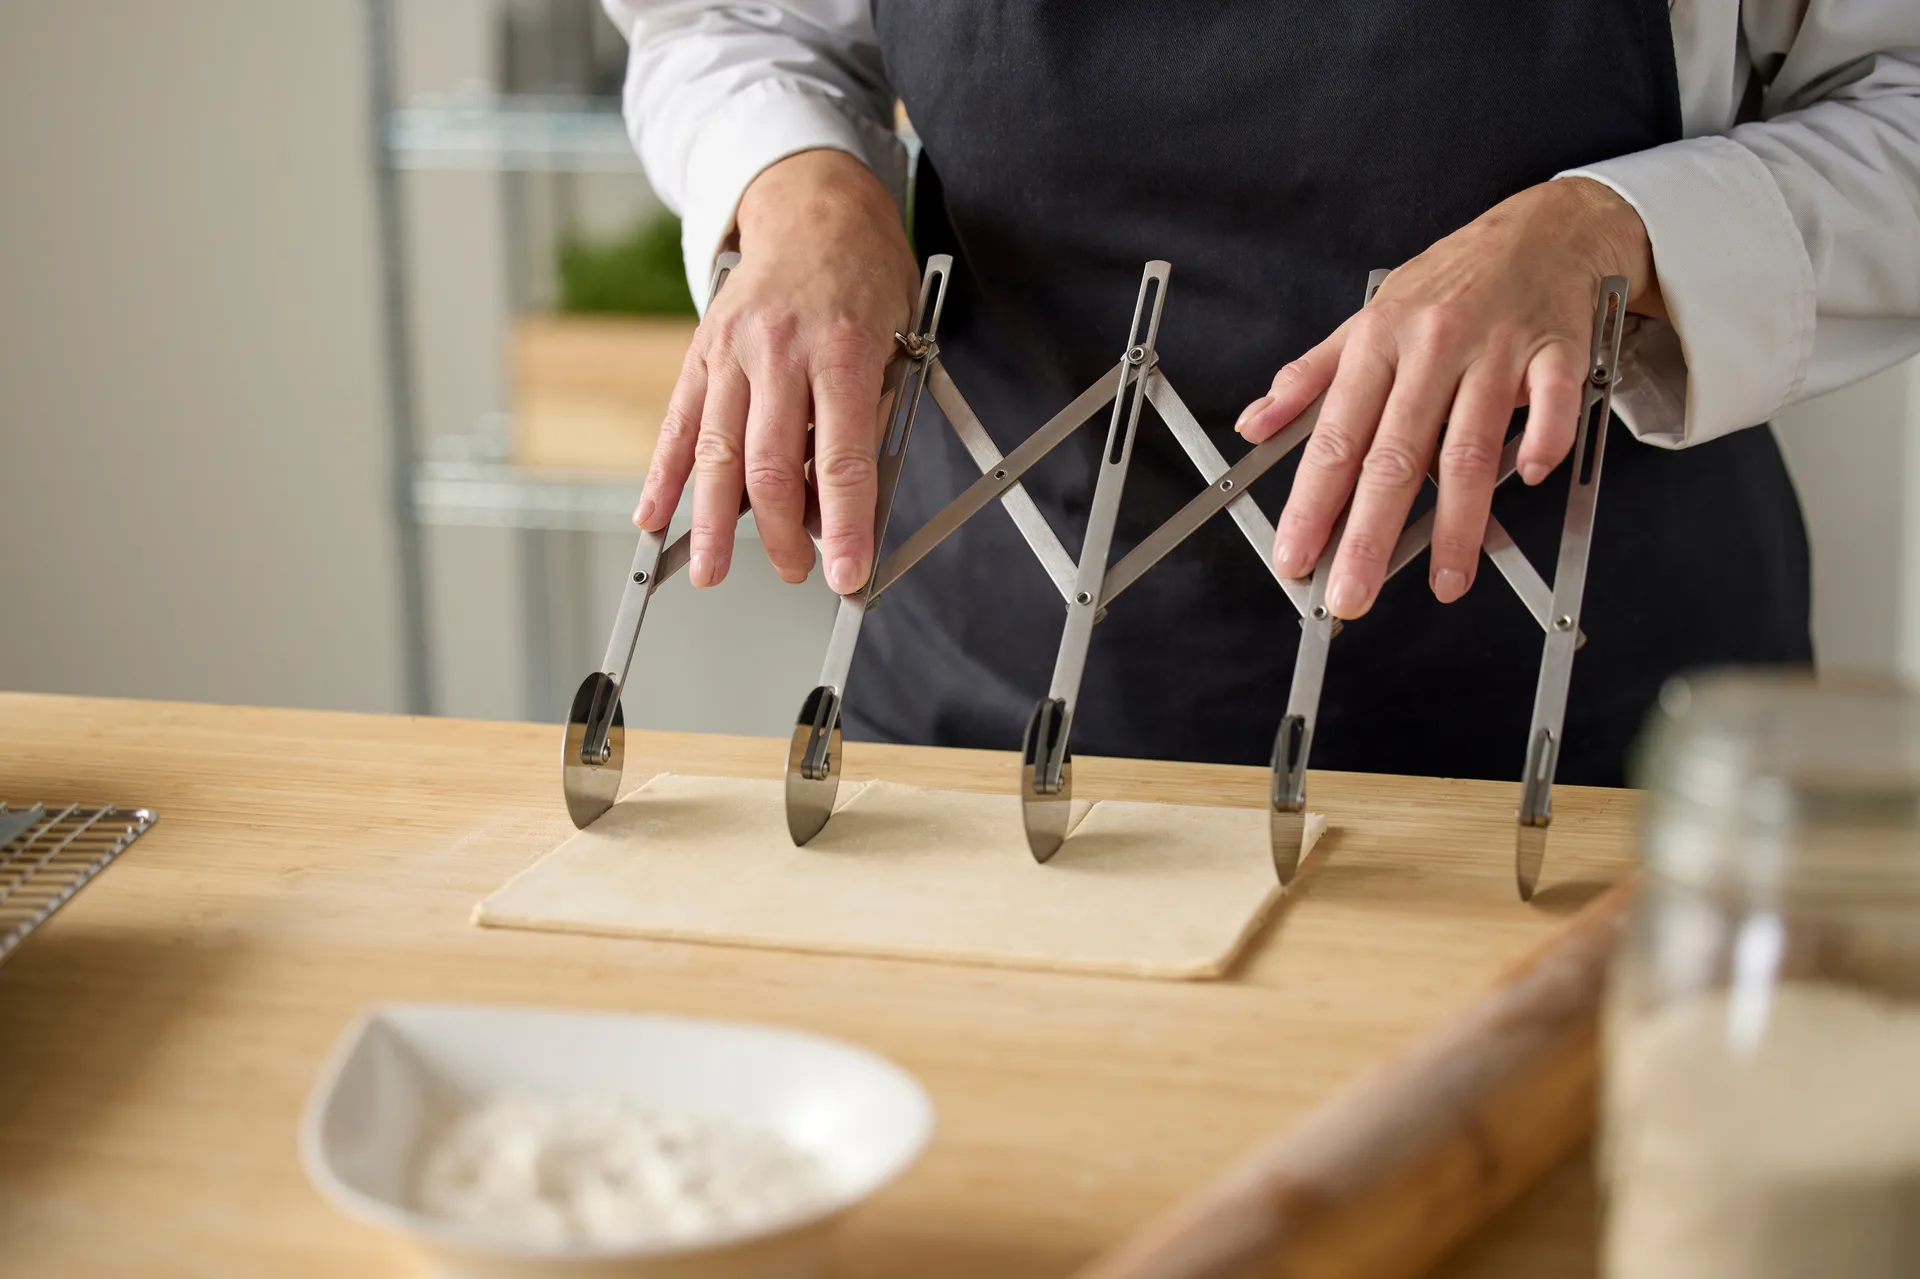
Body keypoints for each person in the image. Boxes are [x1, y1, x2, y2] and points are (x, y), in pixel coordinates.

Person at [599, 0, 1920, 785]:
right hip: (981, 715)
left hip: (1589, 746)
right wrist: (797, 185)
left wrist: (1609, 233)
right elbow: (732, 18)